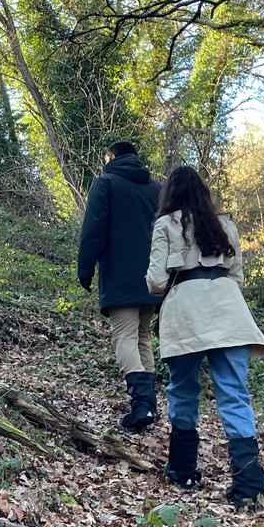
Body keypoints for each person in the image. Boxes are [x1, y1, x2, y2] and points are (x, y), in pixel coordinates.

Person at [146, 165, 264, 507]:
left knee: (183, 390)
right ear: (204, 192)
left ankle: (183, 469)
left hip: (185, 311)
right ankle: (248, 484)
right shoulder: (225, 224)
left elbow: (156, 282)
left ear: (169, 193)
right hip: (228, 310)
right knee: (234, 394)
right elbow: (237, 275)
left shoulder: (165, 225)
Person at [77, 140, 162, 431]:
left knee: (124, 336)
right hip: (152, 278)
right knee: (142, 337)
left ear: (111, 156)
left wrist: (85, 269)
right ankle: (149, 406)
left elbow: (93, 228)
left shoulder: (107, 183)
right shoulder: (156, 189)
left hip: (119, 275)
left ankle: (141, 405)